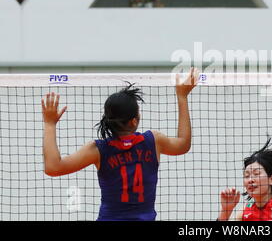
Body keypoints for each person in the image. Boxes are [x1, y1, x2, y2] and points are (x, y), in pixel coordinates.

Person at [42, 68, 199, 221]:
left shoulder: (98, 150)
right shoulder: (153, 141)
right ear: (134, 121)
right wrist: (182, 96)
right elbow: (183, 144)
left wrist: (50, 124)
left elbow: (53, 167)